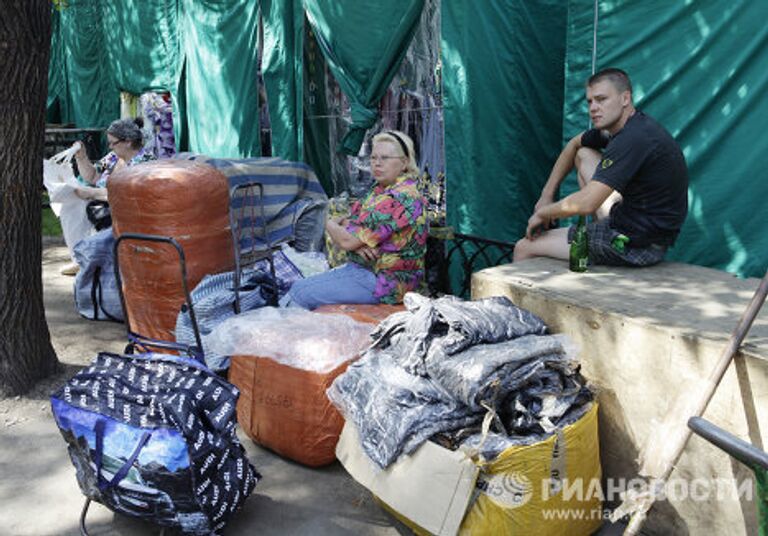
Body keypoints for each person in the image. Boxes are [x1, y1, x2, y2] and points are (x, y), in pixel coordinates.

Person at [513, 68, 689, 268]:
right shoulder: (629, 126)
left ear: (625, 98)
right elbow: (573, 144)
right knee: (583, 154)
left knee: (525, 246)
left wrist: (543, 213)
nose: (593, 108)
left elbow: (586, 203)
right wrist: (546, 194)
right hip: (639, 226)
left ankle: (507, 300)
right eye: (590, 101)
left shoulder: (634, 138)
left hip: (635, 245)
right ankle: (597, 237)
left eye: (601, 99)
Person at [282, 130, 428, 309]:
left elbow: (346, 240)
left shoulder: (398, 197)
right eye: (373, 158)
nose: (377, 163)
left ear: (404, 162)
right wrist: (358, 243)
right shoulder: (380, 189)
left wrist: (325, 220)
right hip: (366, 270)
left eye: (385, 158)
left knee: (298, 293)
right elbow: (352, 222)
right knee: (295, 286)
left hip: (384, 283)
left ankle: (292, 336)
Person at [59, 118, 155, 275]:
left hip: (130, 211)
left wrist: (91, 193)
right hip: (105, 203)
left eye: (113, 143)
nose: (110, 146)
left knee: (83, 205)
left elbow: (128, 195)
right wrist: (81, 157)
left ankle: (87, 257)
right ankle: (82, 256)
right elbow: (92, 176)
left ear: (128, 142)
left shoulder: (144, 162)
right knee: (71, 204)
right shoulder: (114, 157)